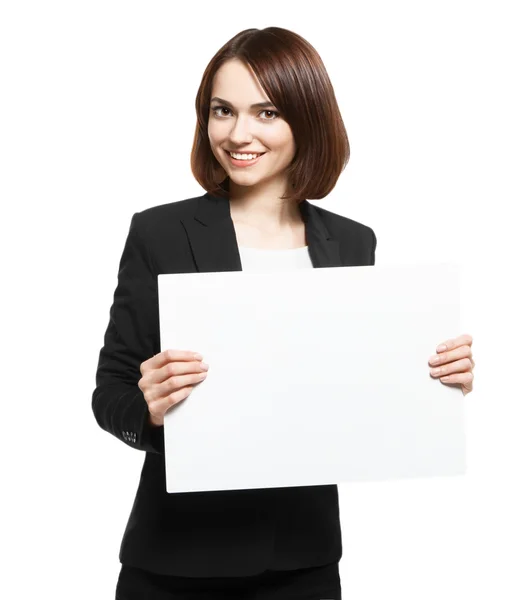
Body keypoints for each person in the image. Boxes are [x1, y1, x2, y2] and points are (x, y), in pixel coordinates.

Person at [92, 26, 475, 600]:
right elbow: (110, 392)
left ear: (307, 119)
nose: (238, 133)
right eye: (222, 111)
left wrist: (434, 383)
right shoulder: (160, 233)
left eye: (265, 113)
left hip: (303, 562)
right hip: (176, 562)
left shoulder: (352, 244)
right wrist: (148, 411)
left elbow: (353, 392)